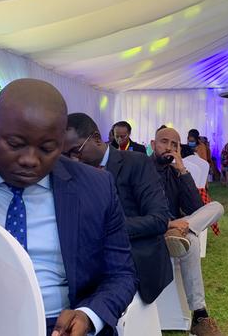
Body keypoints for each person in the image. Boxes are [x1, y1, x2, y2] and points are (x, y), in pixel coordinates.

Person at [0, 79, 137, 336]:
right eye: (16, 144)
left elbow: (121, 274)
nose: (30, 160)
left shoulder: (96, 188)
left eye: (47, 148)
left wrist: (88, 315)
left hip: (62, 326)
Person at [63, 113, 174, 308]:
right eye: (65, 156)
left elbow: (158, 219)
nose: (73, 160)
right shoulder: (70, 173)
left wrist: (104, 230)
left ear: (96, 138)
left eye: (76, 151)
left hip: (133, 255)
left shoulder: (136, 162)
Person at [151, 127, 224, 336]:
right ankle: (200, 315)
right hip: (154, 229)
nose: (169, 148)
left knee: (217, 206)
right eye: (164, 142)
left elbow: (195, 208)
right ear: (153, 144)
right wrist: (168, 224)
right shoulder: (142, 169)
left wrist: (182, 170)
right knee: (192, 241)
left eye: (175, 145)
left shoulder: (176, 173)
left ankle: (181, 232)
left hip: (178, 227)